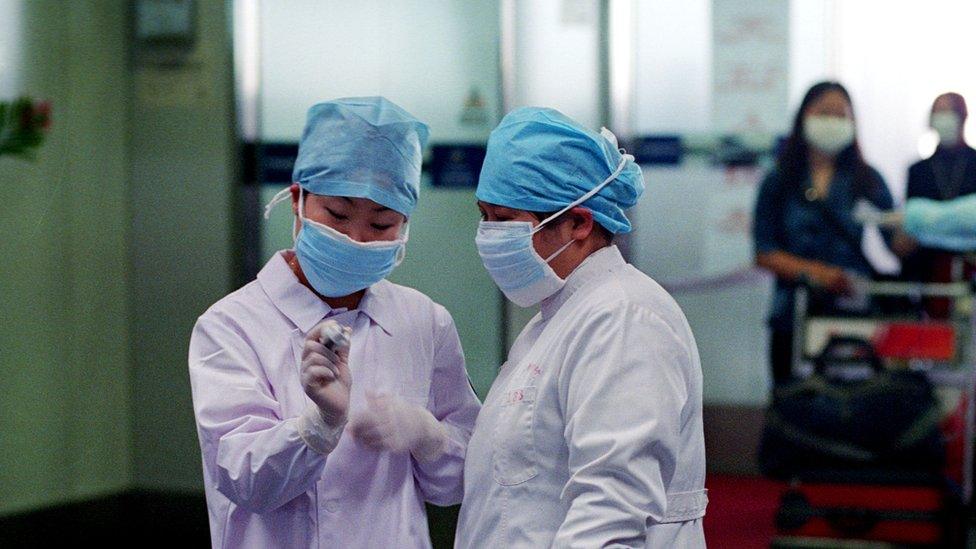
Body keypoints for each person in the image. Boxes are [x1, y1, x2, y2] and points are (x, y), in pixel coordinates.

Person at [188, 97, 481, 548]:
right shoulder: (231, 326)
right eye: (337, 215)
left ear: (405, 227)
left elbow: (457, 484)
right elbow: (245, 483)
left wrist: (428, 436)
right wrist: (318, 426)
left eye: (382, 224)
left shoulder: (424, 322)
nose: (356, 239)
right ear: (296, 201)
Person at [455, 107, 708, 548]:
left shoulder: (625, 318)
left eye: (506, 220)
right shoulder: (555, 321)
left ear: (579, 223)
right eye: (485, 217)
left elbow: (611, 506)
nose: (488, 235)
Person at [752, 81, 896, 387]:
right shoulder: (779, 180)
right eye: (823, 112)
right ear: (804, 116)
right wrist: (816, 273)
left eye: (839, 114)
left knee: (853, 408)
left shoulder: (867, 179)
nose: (831, 121)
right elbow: (763, 251)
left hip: (852, 314)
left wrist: (927, 222)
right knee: (794, 405)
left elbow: (897, 243)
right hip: (792, 314)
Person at [898, 93, 976, 314]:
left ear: (963, 116)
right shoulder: (918, 171)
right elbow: (909, 229)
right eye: (938, 112)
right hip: (928, 273)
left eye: (949, 111)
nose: (943, 118)